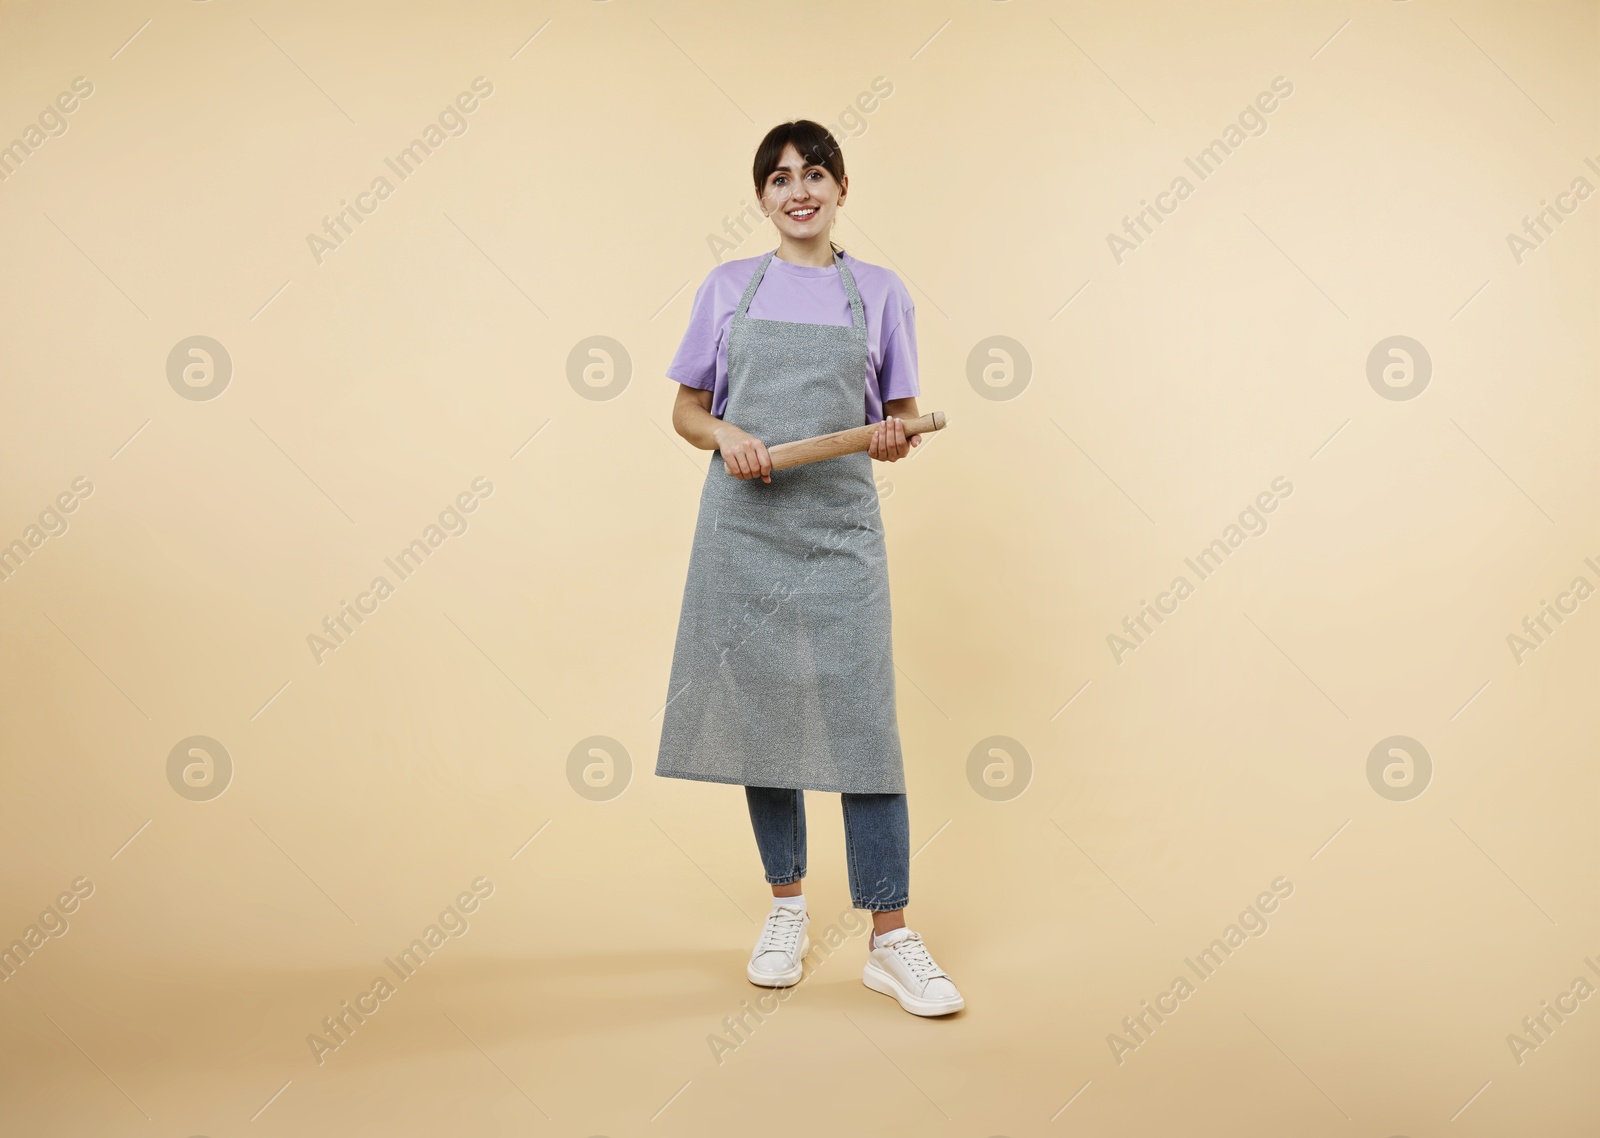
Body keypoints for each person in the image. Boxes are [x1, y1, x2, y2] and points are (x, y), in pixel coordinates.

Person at [654, 119, 963, 1016]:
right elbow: (686, 409)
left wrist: (896, 438)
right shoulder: (726, 288)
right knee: (763, 715)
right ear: (761, 197)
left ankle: (891, 937)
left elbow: (895, 419)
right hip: (744, 527)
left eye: (816, 174)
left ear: (840, 189)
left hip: (840, 529)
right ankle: (786, 907)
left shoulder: (880, 291)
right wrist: (728, 434)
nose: (799, 190)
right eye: (781, 177)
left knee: (863, 723)